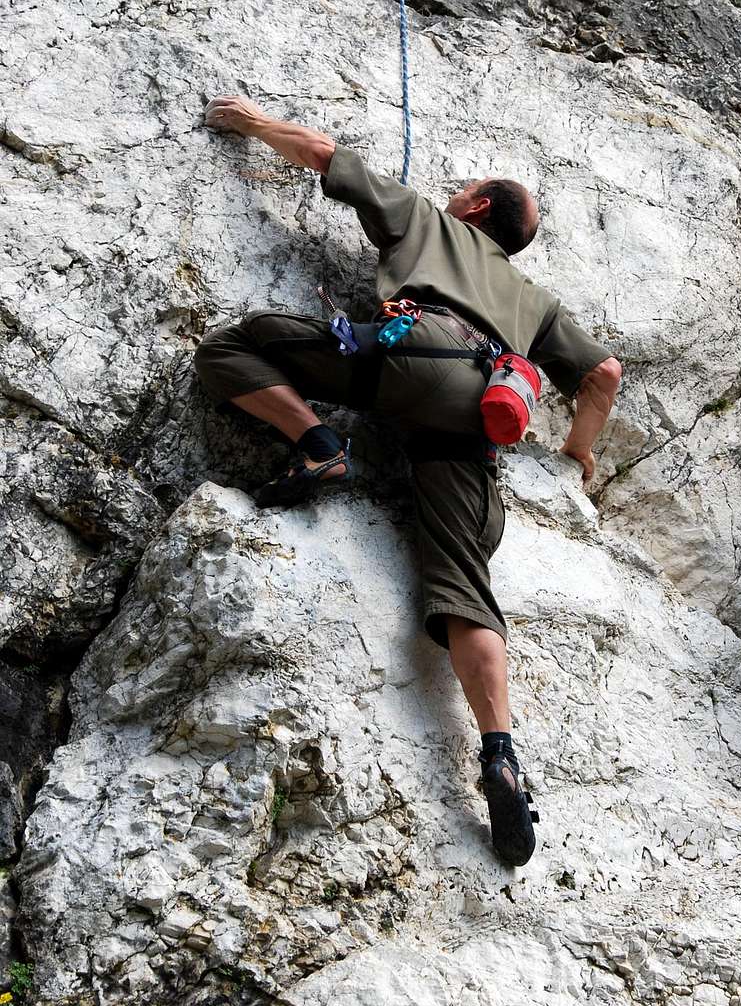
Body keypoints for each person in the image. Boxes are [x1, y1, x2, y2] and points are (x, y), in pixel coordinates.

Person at [194, 96, 622, 866]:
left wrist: (252, 123)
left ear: (479, 206)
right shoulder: (536, 303)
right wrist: (577, 456)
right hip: (480, 409)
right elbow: (603, 374)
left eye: (466, 189)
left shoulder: (433, 221)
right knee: (462, 584)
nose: (455, 192)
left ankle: (318, 443)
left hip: (409, 354)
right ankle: (498, 753)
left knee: (231, 348)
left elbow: (323, 154)